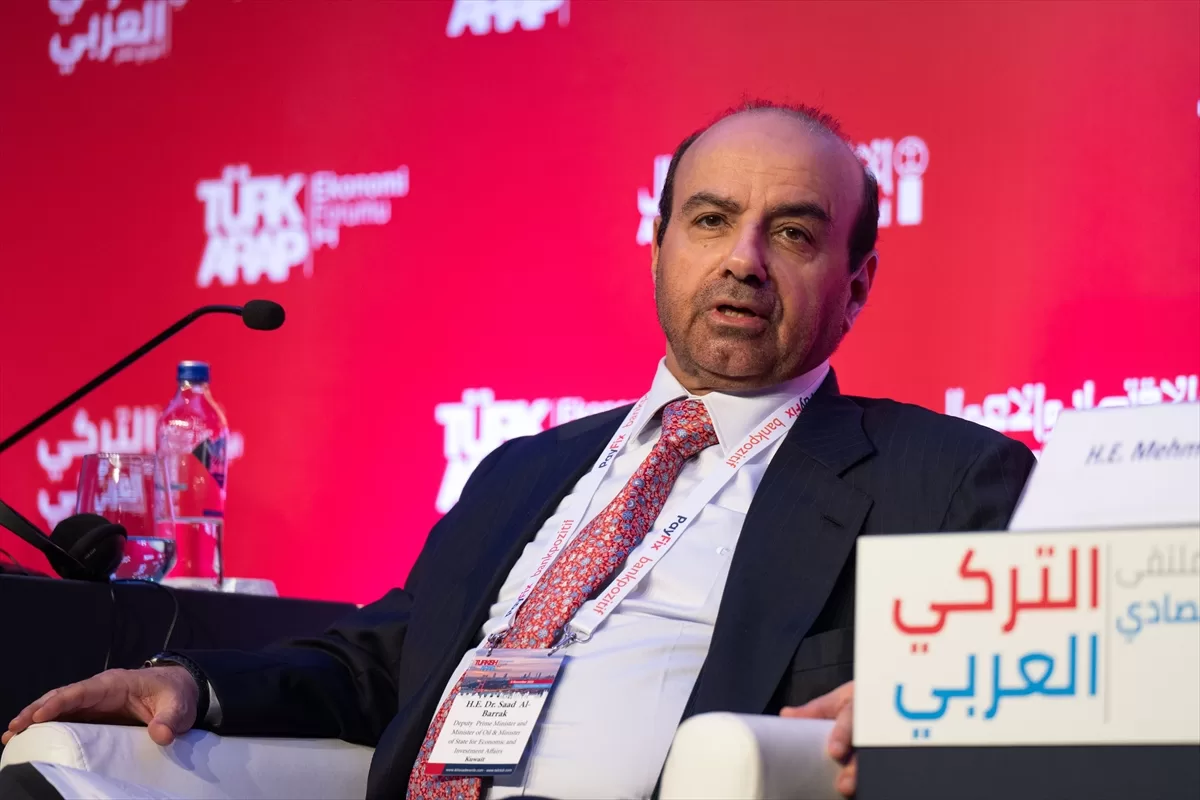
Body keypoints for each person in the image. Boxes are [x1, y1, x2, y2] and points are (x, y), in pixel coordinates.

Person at [2, 101, 1036, 800]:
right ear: (659, 247)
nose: (744, 260)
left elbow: (1030, 679)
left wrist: (917, 700)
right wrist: (191, 683)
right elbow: (388, 655)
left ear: (858, 284)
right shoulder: (525, 469)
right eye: (711, 219)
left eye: (796, 234)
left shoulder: (943, 478)